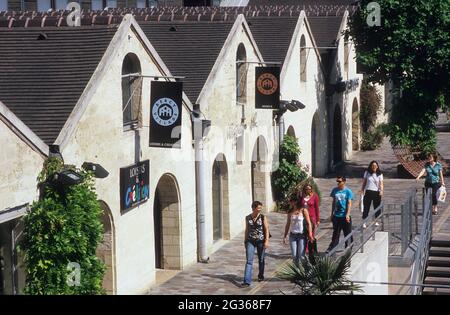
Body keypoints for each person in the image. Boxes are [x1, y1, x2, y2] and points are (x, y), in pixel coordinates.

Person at [242, 201, 269, 287]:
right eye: (258, 208)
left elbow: (266, 229)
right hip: (250, 241)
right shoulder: (248, 218)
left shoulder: (263, 217)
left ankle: (261, 275)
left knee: (261, 260)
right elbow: (247, 230)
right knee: (249, 261)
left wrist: (266, 241)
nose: (260, 210)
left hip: (261, 241)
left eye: (261, 208)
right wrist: (245, 241)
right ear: (253, 208)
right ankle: (247, 281)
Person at [326, 175, 354, 253]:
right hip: (337, 215)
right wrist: (332, 214)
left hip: (344, 216)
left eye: (339, 181)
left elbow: (349, 203)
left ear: (344, 182)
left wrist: (347, 214)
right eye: (337, 181)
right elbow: (334, 202)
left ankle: (348, 246)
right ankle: (333, 247)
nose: (338, 183)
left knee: (347, 232)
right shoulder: (335, 190)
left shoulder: (348, 191)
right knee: (336, 232)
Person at [283, 195, 314, 265]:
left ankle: (307, 271)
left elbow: (309, 223)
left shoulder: (303, 210)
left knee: (301, 256)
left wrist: (310, 234)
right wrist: (285, 236)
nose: (290, 202)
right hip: (292, 235)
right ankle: (297, 273)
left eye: (291, 201)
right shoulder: (290, 212)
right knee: (294, 256)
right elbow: (287, 224)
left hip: (302, 235)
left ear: (295, 202)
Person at [360, 161, 384, 228]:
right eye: (373, 166)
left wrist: (381, 191)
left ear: (377, 166)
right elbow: (364, 182)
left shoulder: (380, 174)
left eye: (375, 166)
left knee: (376, 207)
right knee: (366, 207)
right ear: (370, 166)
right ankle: (364, 222)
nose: (374, 167)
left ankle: (376, 221)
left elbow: (381, 184)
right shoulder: (367, 173)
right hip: (368, 192)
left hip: (376, 192)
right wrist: (362, 190)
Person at [299, 184, 320, 259]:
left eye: (309, 189)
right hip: (303, 218)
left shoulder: (315, 196)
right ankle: (305, 248)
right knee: (304, 233)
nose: (308, 190)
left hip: (312, 218)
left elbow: (317, 208)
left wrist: (318, 219)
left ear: (311, 189)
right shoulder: (302, 197)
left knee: (311, 234)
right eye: (306, 189)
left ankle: (310, 249)